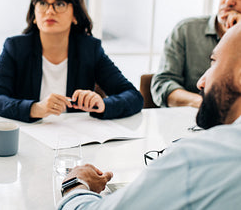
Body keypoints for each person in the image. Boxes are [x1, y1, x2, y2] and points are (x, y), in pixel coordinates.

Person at [57, 23, 241, 210]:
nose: (201, 82)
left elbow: (133, 96)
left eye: (214, 62)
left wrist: (74, 185)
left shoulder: (198, 160)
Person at [0, 0, 143, 123]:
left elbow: (133, 97)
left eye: (59, 4)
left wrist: (103, 104)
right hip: (27, 138)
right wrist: (35, 108)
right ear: (34, 14)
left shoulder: (89, 49)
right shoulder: (16, 48)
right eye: (43, 3)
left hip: (75, 142)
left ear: (75, 15)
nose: (50, 11)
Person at [151, 0, 241, 107]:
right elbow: (162, 84)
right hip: (188, 120)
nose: (229, 1)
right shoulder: (186, 30)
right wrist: (201, 103)